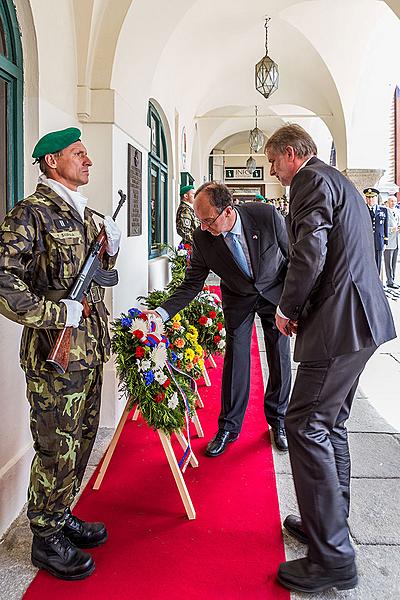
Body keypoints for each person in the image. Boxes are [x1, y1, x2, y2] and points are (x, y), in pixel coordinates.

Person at [265, 124, 396, 594]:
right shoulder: (337, 181)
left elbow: (310, 251)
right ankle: (328, 525)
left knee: (304, 424)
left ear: (293, 154)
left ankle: (333, 557)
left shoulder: (310, 181)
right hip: (359, 320)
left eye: (273, 160)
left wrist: (287, 308)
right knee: (330, 423)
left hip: (340, 324)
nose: (273, 170)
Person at [0, 127, 121, 580]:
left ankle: (61, 511)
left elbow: (95, 276)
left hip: (88, 351)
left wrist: (109, 248)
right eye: (79, 154)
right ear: (52, 162)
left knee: (82, 439)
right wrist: (56, 311)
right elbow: (4, 280)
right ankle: (45, 537)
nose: (88, 161)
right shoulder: (29, 214)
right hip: (55, 356)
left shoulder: (85, 215)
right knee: (56, 445)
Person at [147, 181, 292, 456]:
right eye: (199, 220)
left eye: (207, 220)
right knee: (236, 357)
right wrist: (162, 313)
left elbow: (293, 256)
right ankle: (229, 427)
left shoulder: (266, 216)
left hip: (275, 292)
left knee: (279, 355)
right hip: (239, 298)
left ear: (227, 211)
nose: (202, 227)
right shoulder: (202, 238)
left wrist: (294, 305)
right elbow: (191, 284)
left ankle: (279, 421)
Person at [363, 187, 389, 275]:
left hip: (378, 241)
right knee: (366, 263)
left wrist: (385, 241)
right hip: (366, 241)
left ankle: (376, 283)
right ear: (366, 198)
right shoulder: (362, 209)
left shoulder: (383, 210)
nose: (370, 200)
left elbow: (385, 226)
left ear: (376, 197)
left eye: (373, 197)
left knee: (378, 263)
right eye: (368, 197)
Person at [383, 196, 400, 288]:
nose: (393, 203)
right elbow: (382, 227)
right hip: (389, 241)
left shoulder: (397, 211)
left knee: (394, 262)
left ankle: (392, 280)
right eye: (392, 201)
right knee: (388, 263)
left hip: (397, 241)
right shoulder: (385, 212)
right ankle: (389, 281)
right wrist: (391, 229)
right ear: (388, 202)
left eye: (395, 201)